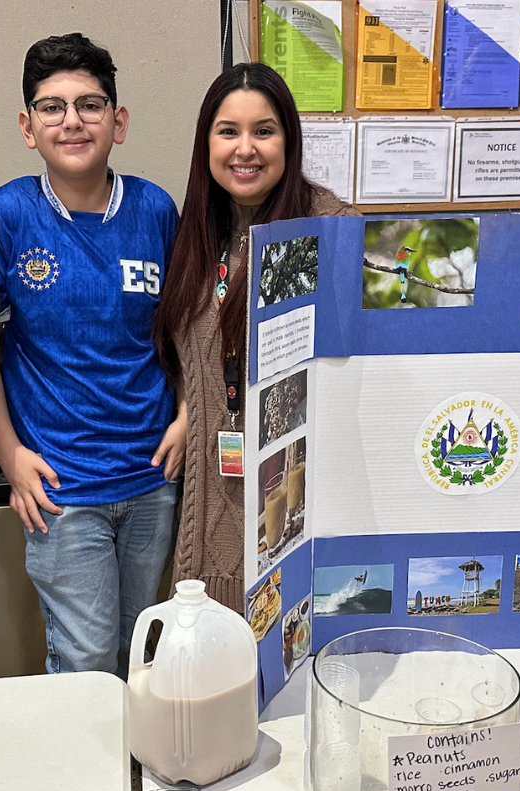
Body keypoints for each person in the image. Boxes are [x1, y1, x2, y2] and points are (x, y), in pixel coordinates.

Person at [0, 34, 184, 680]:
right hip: (63, 488)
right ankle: (87, 784)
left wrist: (187, 417)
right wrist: (10, 455)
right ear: (27, 126)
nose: (72, 121)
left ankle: (139, 776)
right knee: (88, 659)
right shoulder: (4, 216)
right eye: (52, 107)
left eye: (90, 105)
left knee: (144, 651)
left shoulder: (155, 210)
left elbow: (184, 334)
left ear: (118, 122)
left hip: (153, 478)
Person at [153, 63, 359, 615]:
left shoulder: (331, 227)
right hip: (210, 486)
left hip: (293, 492)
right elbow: (188, 349)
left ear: (287, 140)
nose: (246, 149)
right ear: (207, 143)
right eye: (229, 131)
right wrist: (188, 409)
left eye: (263, 131)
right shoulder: (196, 228)